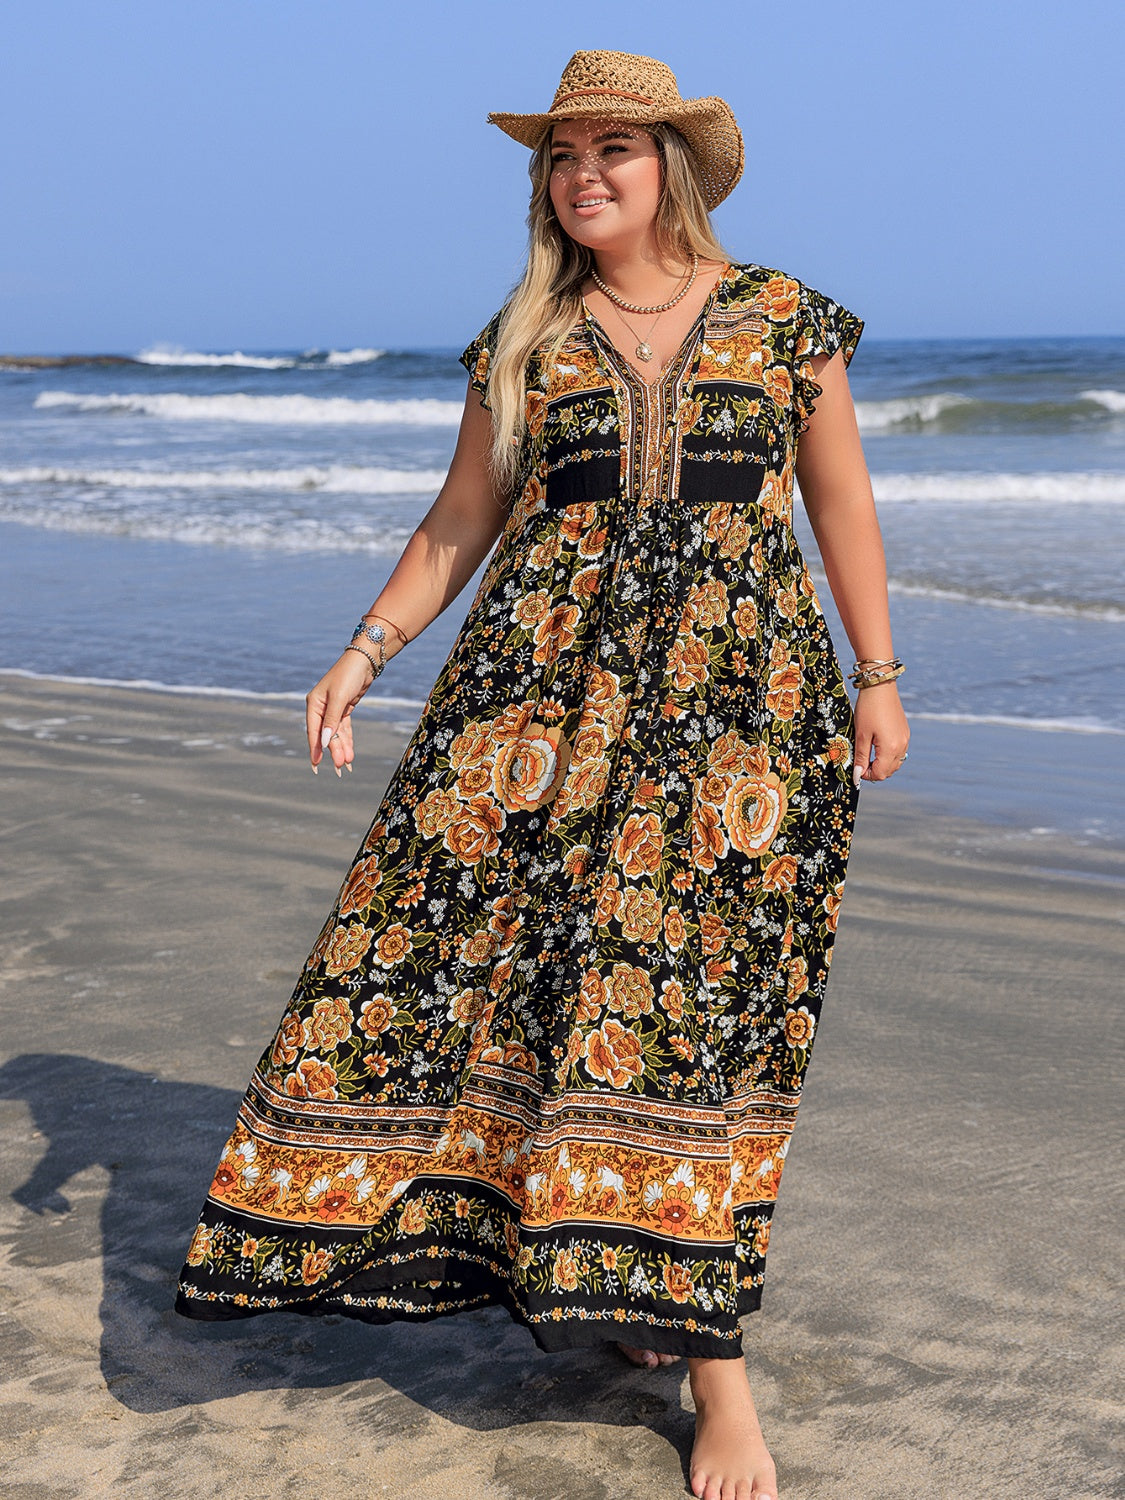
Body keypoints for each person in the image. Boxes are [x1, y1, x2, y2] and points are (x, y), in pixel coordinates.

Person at [175, 49, 909, 1500]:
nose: (584, 175)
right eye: (563, 155)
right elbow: (460, 522)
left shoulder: (785, 317)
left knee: (693, 1021)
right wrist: (363, 652)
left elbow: (842, 510)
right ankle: (630, 1296)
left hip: (737, 727)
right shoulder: (528, 339)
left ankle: (706, 1367)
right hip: (537, 722)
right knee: (540, 992)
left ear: (669, 167)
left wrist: (877, 676)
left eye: (612, 149)